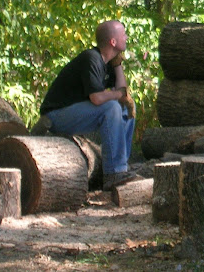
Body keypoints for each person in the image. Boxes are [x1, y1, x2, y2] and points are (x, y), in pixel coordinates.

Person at [31, 20, 139, 191]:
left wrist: (118, 65)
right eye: (123, 34)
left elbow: (121, 90)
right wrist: (120, 95)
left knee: (125, 109)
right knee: (112, 107)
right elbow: (97, 98)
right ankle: (113, 173)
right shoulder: (92, 59)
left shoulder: (108, 63)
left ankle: (121, 167)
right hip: (56, 116)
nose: (126, 37)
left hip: (78, 113)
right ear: (113, 41)